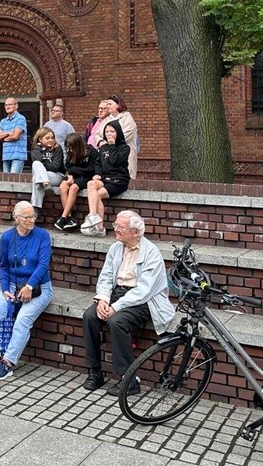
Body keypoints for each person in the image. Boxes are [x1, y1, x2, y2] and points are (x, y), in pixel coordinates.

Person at [81, 211, 174, 396]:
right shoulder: (115, 248)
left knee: (117, 321)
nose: (115, 229)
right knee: (90, 316)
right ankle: (95, 372)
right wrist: (103, 299)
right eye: (115, 225)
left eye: (120, 227)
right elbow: (106, 276)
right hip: (117, 293)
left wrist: (116, 307)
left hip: (144, 300)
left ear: (135, 232)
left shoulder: (152, 253)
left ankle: (129, 380)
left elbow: (144, 291)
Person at [0, 201, 54, 381]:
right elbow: (3, 266)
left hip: (39, 287)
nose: (31, 220)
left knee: (23, 318)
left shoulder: (42, 235)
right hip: (12, 285)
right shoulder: (7, 237)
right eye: (26, 217)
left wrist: (29, 286)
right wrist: (4, 289)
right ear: (16, 218)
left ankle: (8, 362)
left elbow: (43, 265)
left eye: (33, 216)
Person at [81, 121, 131, 237]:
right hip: (105, 178)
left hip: (118, 180)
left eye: (112, 131)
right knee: (91, 184)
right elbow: (98, 163)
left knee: (97, 195)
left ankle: (100, 228)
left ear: (118, 133)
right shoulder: (103, 148)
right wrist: (97, 173)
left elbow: (115, 161)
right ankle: (93, 215)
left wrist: (112, 145)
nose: (109, 134)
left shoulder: (124, 148)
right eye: (107, 131)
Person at [55, 134, 93, 232]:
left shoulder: (90, 151)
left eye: (72, 147)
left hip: (87, 177)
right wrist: (70, 175)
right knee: (63, 185)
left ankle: (63, 217)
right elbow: (69, 167)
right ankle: (69, 218)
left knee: (73, 188)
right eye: (69, 147)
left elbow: (91, 169)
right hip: (75, 177)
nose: (70, 150)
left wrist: (74, 170)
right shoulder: (70, 153)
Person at [29, 128, 65, 214]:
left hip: (57, 176)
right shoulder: (36, 149)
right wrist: (39, 149)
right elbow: (37, 161)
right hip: (45, 177)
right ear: (40, 139)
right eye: (47, 138)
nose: (51, 140)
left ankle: (36, 207)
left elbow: (55, 167)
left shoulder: (57, 148)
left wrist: (43, 161)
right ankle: (46, 184)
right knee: (36, 164)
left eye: (52, 138)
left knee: (37, 177)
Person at [106, 95, 139, 180]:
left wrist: (110, 141)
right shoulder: (107, 120)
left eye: (110, 104)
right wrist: (101, 142)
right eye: (107, 104)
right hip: (109, 154)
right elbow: (98, 134)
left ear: (118, 105)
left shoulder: (128, 119)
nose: (107, 106)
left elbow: (125, 136)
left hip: (125, 155)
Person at [0, 97, 28, 173]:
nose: (7, 107)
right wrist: (8, 133)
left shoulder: (20, 119)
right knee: (6, 179)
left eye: (10, 104)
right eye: (6, 105)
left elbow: (15, 136)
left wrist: (3, 137)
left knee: (14, 179)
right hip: (6, 156)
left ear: (16, 106)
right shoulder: (3, 121)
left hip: (17, 155)